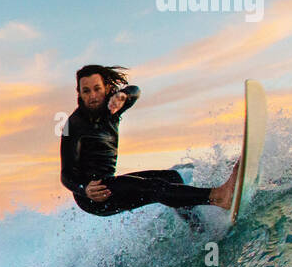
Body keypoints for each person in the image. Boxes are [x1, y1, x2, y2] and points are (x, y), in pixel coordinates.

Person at [60, 65, 237, 224]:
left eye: (97, 89)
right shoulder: (73, 125)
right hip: (94, 197)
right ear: (79, 93)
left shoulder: (111, 107)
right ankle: (218, 196)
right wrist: (85, 189)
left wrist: (124, 95)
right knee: (153, 187)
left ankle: (198, 228)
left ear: (106, 88)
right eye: (86, 91)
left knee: (173, 178)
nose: (92, 96)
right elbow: (66, 174)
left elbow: (135, 91)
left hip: (110, 183)